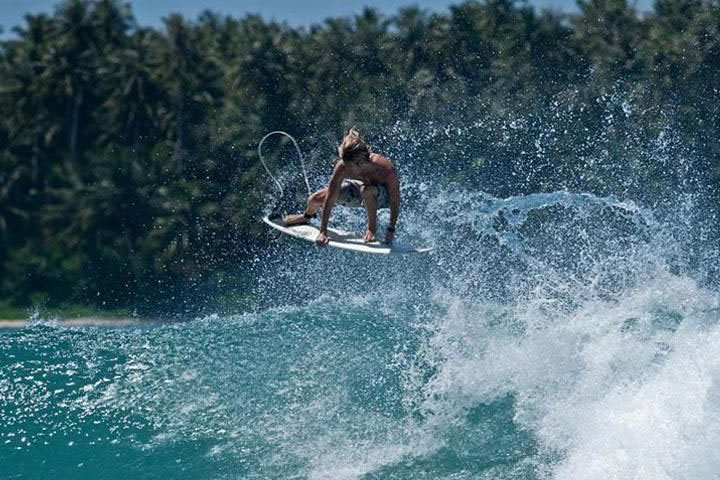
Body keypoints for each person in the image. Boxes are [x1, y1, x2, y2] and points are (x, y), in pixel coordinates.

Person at [283, 129, 400, 245]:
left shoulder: (385, 169)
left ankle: (371, 230)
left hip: (384, 199)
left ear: (360, 163)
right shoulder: (343, 165)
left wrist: (391, 229)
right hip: (361, 191)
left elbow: (395, 201)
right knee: (315, 198)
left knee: (366, 190)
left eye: (349, 166)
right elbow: (330, 196)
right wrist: (323, 231)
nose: (345, 168)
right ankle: (306, 217)